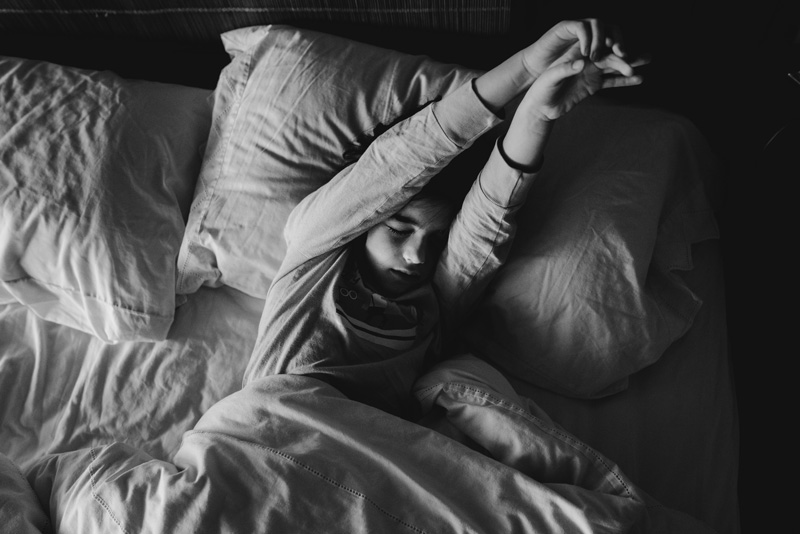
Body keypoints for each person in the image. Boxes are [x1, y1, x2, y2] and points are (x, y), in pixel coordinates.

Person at [243, 19, 645, 418]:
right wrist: (524, 67)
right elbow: (397, 162)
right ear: (368, 220)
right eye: (398, 229)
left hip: (366, 445)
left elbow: (490, 217)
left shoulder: (437, 301)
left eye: (436, 240)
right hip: (269, 422)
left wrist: (537, 113)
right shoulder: (314, 255)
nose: (417, 256)